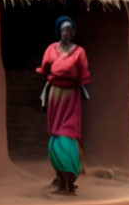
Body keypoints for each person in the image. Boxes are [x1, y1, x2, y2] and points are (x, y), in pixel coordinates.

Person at [36, 16, 90, 195]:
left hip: (71, 96)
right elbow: (44, 68)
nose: (66, 33)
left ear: (73, 32)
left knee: (69, 133)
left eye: (69, 30)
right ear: (59, 31)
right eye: (63, 30)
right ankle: (60, 175)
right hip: (55, 96)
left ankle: (70, 174)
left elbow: (84, 73)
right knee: (56, 132)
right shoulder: (51, 49)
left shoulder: (79, 52)